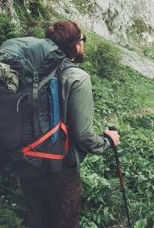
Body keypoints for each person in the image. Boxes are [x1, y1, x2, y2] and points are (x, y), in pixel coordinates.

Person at [18, 20, 120, 228]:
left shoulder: (32, 70)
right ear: (75, 45)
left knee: (38, 220)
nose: (83, 44)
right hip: (60, 170)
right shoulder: (77, 78)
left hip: (28, 163)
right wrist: (108, 141)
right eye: (82, 39)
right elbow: (83, 135)